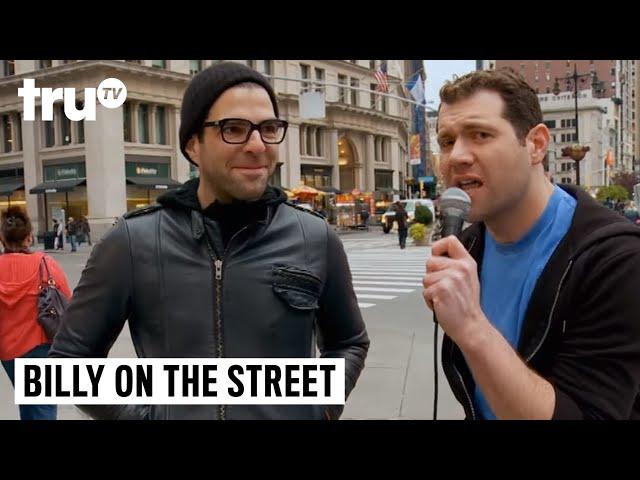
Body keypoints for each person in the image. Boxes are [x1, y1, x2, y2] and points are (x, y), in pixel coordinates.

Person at [49, 61, 369, 420]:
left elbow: (349, 342)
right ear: (193, 146)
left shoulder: (315, 237)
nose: (256, 145)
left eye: (268, 128)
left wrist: (319, 409)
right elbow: (69, 363)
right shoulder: (132, 241)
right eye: (233, 129)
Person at [423, 68, 640, 420]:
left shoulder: (614, 259)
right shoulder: (468, 248)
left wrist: (471, 327)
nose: (458, 156)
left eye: (480, 134)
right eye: (447, 141)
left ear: (536, 145)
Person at [0, 207, 72, 420]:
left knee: (28, 402)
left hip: (7, 350)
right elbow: (67, 299)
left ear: (2, 239)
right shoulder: (45, 263)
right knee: (42, 407)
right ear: (29, 238)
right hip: (41, 345)